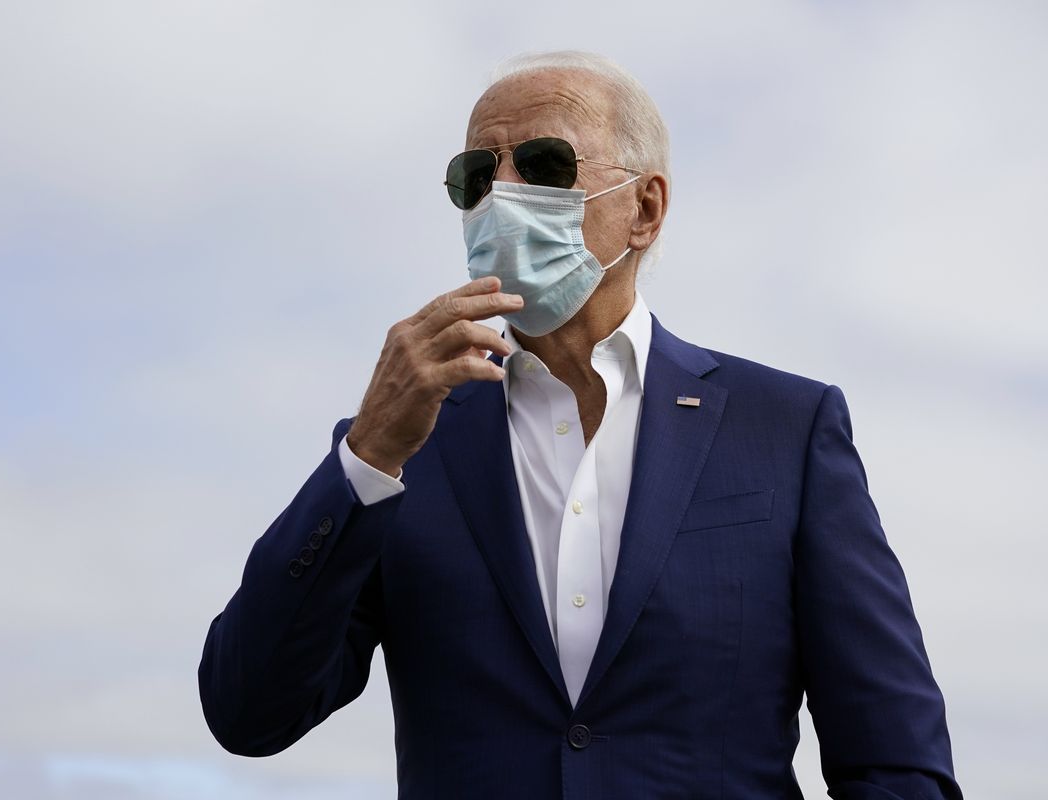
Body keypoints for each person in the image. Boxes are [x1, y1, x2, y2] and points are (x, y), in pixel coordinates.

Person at [198, 51, 962, 799]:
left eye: (543, 163)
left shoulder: (786, 430)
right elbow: (248, 712)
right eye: (475, 175)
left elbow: (895, 755)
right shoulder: (405, 447)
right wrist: (364, 457)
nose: (500, 194)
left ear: (646, 209)